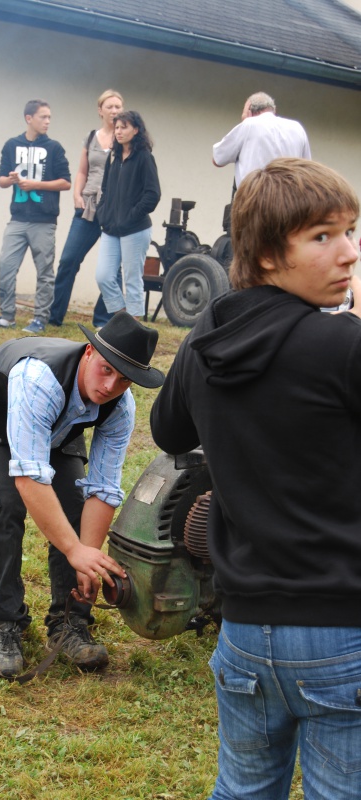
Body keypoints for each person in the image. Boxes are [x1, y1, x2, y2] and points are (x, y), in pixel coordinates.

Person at [150, 158, 361, 800]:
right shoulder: (341, 347)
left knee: (241, 790)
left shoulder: (205, 340)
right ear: (268, 255)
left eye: (352, 231)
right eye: (323, 237)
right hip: (339, 628)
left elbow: (169, 433)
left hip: (243, 631)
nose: (348, 253)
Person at [0, 312, 164, 676]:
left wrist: (88, 557)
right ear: (88, 354)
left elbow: (103, 489)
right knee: (3, 508)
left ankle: (69, 624)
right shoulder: (38, 379)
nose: (111, 386)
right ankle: (5, 624)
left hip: (53, 426)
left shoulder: (120, 407)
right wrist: (73, 549)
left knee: (75, 511)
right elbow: (29, 480)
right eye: (106, 369)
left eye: (124, 379)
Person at [0, 99, 71, 334]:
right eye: (43, 117)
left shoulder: (54, 148)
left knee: (44, 272)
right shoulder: (11, 145)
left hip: (44, 221)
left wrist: (35, 184)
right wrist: (12, 179)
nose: (48, 121)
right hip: (18, 219)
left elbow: (66, 182)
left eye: (50, 117)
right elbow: (1, 181)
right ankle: (6, 317)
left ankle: (40, 319)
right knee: (6, 265)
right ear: (28, 118)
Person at [49, 89, 123, 328]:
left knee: (113, 268)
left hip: (115, 210)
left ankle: (103, 319)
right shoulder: (91, 138)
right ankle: (54, 316)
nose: (114, 111)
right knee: (69, 260)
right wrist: (76, 195)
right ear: (100, 111)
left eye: (118, 107)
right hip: (88, 206)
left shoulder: (126, 139)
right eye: (110, 107)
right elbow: (82, 171)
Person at [96, 111, 161, 319]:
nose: (119, 131)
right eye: (116, 127)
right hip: (111, 229)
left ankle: (133, 328)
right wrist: (103, 213)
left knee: (133, 280)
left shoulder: (144, 158)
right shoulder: (113, 157)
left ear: (136, 130)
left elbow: (153, 194)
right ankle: (123, 319)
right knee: (104, 276)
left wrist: (131, 216)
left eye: (124, 127)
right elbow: (105, 189)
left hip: (135, 229)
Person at [212, 91, 311, 188]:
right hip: (290, 200)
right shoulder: (297, 127)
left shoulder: (249, 125)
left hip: (255, 198)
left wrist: (245, 121)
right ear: (274, 110)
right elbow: (306, 169)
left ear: (249, 109)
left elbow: (218, 159)